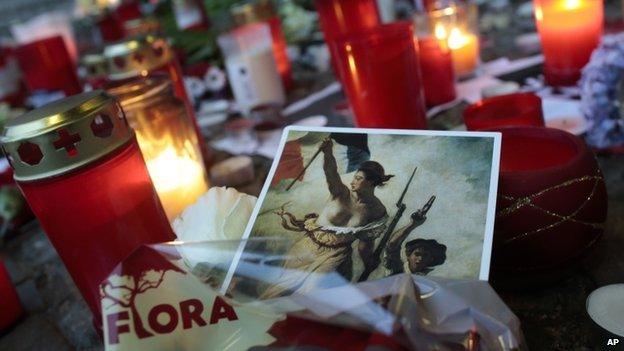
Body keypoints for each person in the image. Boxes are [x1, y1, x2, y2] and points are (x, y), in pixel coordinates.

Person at [260, 138, 393, 299]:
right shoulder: (340, 193)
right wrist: (328, 151)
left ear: (371, 182)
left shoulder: (377, 211)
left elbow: (365, 245)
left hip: (336, 254)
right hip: (309, 245)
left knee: (309, 292)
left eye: (359, 178)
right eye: (355, 177)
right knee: (278, 290)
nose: (353, 181)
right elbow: (331, 172)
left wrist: (369, 263)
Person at [384, 210, 447, 275]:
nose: (420, 258)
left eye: (425, 255)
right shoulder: (396, 268)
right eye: (417, 254)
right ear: (408, 255)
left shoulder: (427, 279)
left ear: (431, 259)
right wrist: (413, 224)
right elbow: (392, 245)